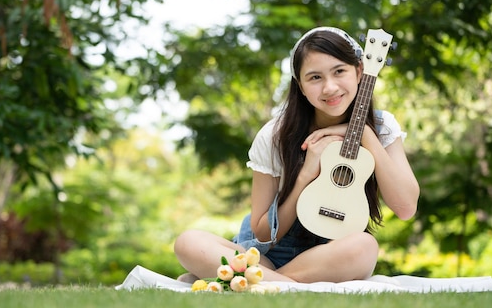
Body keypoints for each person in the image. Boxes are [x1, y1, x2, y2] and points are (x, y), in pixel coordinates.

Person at [173, 26, 420, 283]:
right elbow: (262, 235)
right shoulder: (275, 136)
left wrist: (366, 135)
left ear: (359, 71)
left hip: (328, 257)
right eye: (315, 78)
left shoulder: (381, 128)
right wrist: (304, 175)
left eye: (339, 71)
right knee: (188, 242)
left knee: (365, 247)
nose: (330, 87)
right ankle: (280, 285)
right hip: (267, 255)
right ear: (300, 86)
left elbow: (405, 208)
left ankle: (251, 281)